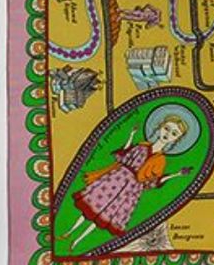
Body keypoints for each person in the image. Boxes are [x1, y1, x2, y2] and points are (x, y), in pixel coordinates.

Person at [58, 107, 197, 253]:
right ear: (160, 127)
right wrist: (131, 135)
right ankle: (69, 232)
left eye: (174, 133)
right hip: (117, 179)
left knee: (105, 215)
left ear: (177, 139)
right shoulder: (142, 145)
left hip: (131, 189)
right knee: (93, 206)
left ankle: (77, 241)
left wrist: (177, 174)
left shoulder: (161, 160)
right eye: (167, 128)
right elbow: (125, 155)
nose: (168, 134)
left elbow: (155, 181)